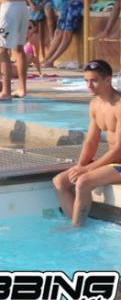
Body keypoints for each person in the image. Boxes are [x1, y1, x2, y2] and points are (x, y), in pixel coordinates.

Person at [52, 60, 121, 227]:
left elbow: (119, 149)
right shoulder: (95, 104)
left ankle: (76, 230)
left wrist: (87, 170)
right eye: (86, 81)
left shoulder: (119, 106)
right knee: (59, 181)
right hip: (113, 164)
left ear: (107, 80)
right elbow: (91, 141)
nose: (89, 85)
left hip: (119, 163)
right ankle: (77, 224)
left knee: (83, 182)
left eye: (94, 81)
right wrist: (80, 166)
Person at [43, 0, 98, 68]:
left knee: (67, 33)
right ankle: (47, 59)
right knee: (58, 32)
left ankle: (52, 59)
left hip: (78, 4)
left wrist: (91, 4)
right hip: (69, 3)